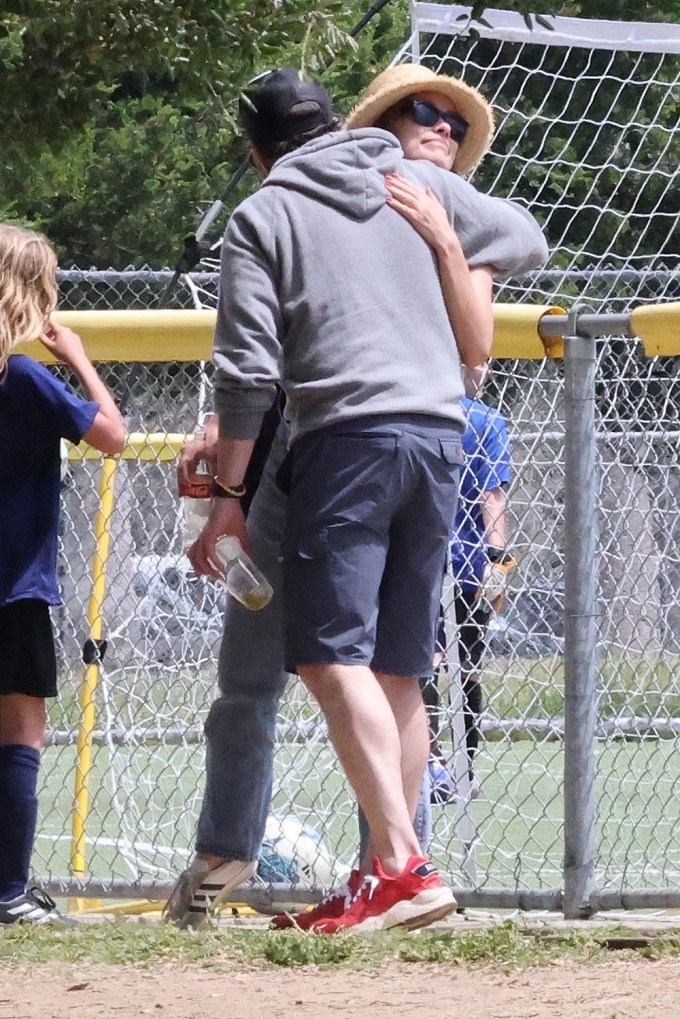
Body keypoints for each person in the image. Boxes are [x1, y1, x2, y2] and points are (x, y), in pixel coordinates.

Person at [163, 65, 548, 932]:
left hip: (346, 442)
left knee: (328, 657)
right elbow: (529, 237)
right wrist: (444, 224)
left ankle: (402, 865)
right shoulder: (408, 181)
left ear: (258, 153)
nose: (438, 130)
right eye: (424, 115)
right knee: (398, 670)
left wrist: (227, 494)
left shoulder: (264, 213)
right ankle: (385, 868)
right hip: (440, 438)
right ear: (342, 120)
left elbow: (249, 371)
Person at [0, 224, 126, 925]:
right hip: (12, 585)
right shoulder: (25, 377)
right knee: (21, 728)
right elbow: (114, 434)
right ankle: (10, 890)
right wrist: (78, 358)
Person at [424, 361, 515, 804]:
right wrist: (496, 559)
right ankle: (459, 768)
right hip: (467, 566)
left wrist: (496, 561)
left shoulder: (418, 409)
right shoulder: (484, 419)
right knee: (463, 670)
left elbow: (492, 494)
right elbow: (491, 498)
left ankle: (433, 764)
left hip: (422, 559)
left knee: (421, 663)